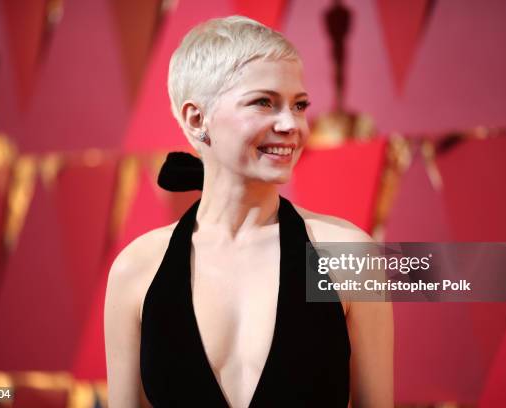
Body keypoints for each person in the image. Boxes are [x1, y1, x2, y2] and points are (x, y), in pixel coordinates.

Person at [104, 15, 393, 408]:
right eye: (264, 102)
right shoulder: (137, 269)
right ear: (196, 118)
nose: (291, 124)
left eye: (300, 105)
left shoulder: (348, 255)